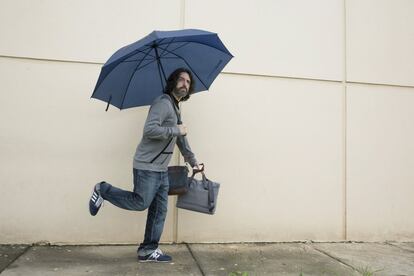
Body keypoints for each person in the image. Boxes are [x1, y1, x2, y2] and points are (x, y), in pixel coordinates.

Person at [88, 68, 200, 263]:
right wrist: (176, 129)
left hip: (161, 170)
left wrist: (194, 162)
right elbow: (150, 129)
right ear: (173, 82)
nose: (184, 83)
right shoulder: (163, 103)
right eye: (181, 79)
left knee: (159, 211)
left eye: (188, 82)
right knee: (140, 202)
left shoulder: (175, 107)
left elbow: (181, 139)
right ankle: (103, 189)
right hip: (147, 166)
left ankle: (148, 250)